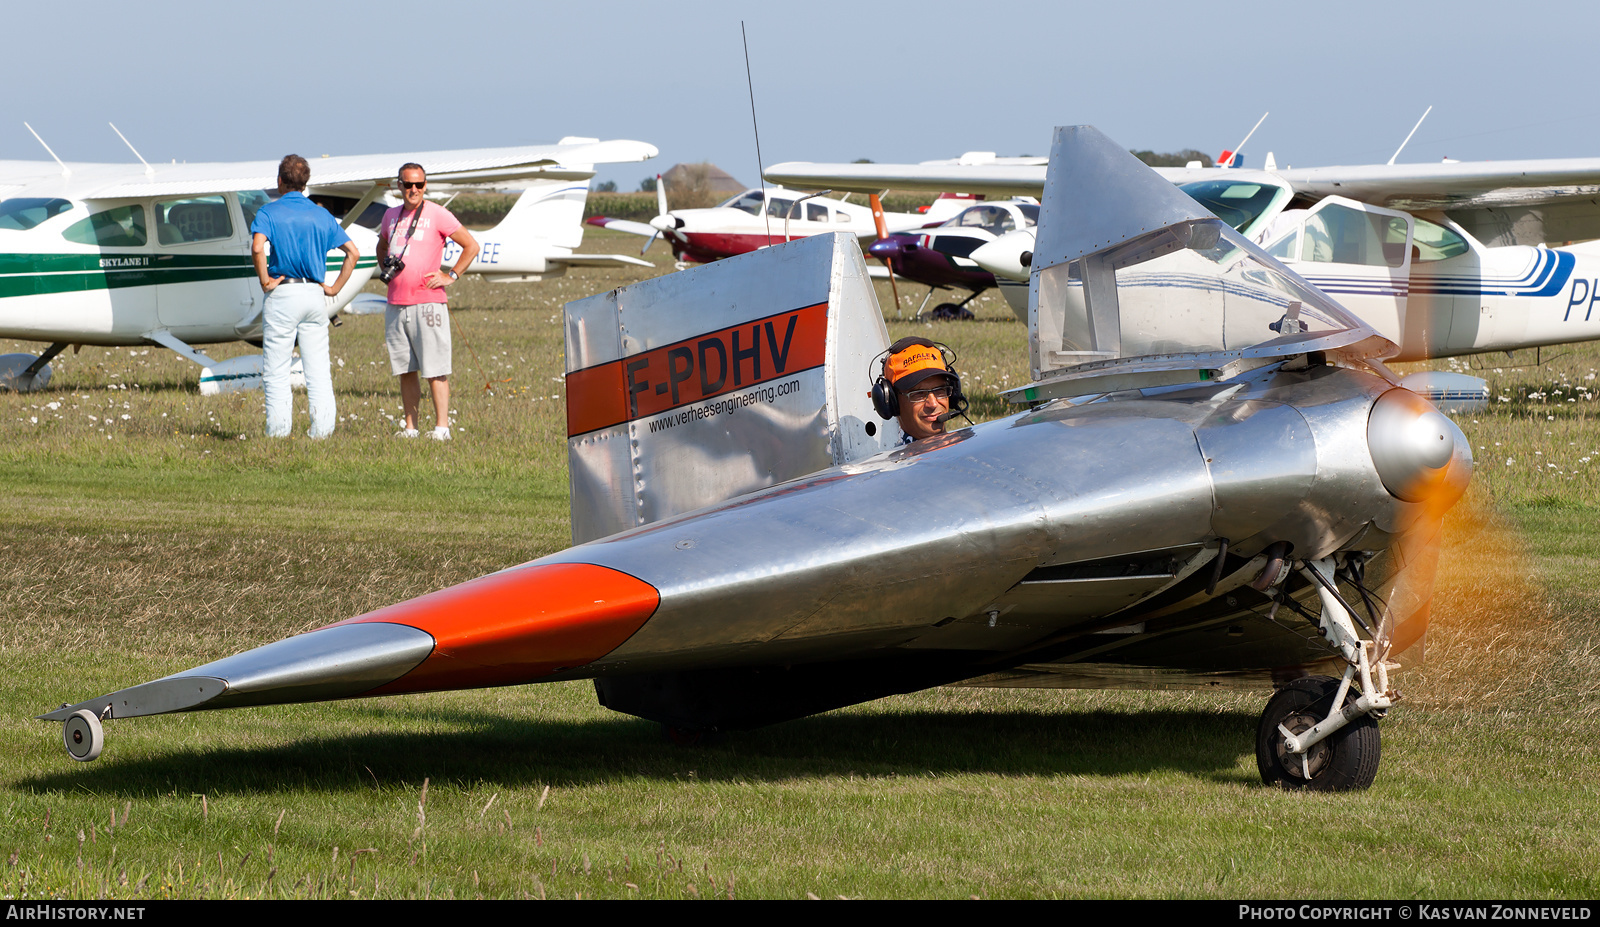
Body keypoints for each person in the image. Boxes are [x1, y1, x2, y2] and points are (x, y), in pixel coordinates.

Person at [250, 154, 360, 439]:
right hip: (314, 293)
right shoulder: (321, 214)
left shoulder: (268, 212)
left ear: (280, 181)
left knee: (276, 370)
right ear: (305, 182)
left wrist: (264, 280)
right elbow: (353, 253)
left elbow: (258, 247)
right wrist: (334, 288)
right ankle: (322, 432)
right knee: (318, 370)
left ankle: (277, 432)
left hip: (283, 292)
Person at [376, 163, 480, 440]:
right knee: (405, 369)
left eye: (419, 185)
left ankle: (442, 428)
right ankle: (410, 428)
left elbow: (471, 245)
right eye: (408, 184)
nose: (413, 190)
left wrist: (452, 275)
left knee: (435, 368)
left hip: (428, 302)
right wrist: (385, 265)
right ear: (399, 185)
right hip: (396, 302)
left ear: (425, 186)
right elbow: (382, 245)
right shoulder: (390, 216)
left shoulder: (437, 213)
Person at [873, 336, 967, 443]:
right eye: (918, 394)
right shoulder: (905, 460)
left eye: (940, 390)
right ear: (892, 402)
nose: (933, 404)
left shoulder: (969, 449)